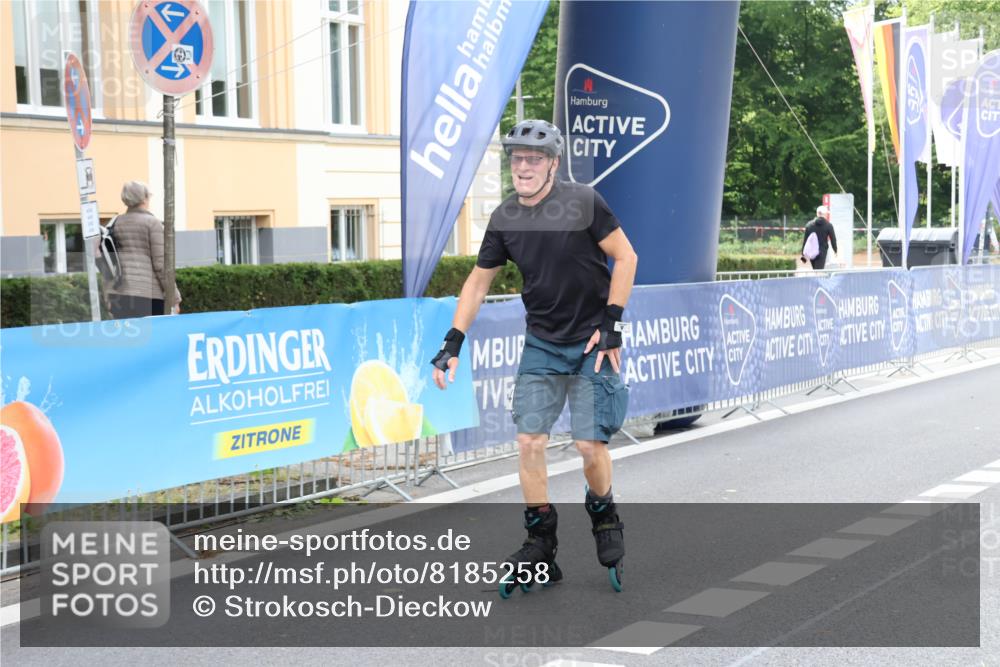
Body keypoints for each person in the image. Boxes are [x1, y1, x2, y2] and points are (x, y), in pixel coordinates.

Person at [430, 119, 638, 595]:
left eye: (534, 159)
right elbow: (478, 281)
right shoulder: (505, 217)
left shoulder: (584, 202)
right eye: (517, 159)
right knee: (529, 441)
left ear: (553, 164)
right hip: (542, 342)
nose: (523, 167)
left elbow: (626, 258)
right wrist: (453, 342)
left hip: (591, 341)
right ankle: (540, 542)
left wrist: (613, 324)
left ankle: (604, 512)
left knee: (589, 447)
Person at [103, 181, 181, 318]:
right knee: (154, 338)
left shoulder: (115, 223)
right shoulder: (152, 223)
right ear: (144, 198)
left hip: (119, 296)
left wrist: (107, 295)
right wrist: (174, 298)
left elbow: (108, 264)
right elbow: (161, 265)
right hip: (148, 295)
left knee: (127, 338)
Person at [802, 205, 838, 269]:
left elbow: (805, 240)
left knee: (815, 270)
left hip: (812, 252)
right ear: (825, 214)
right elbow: (833, 239)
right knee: (819, 271)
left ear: (817, 213)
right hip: (822, 251)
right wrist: (835, 250)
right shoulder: (828, 225)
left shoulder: (809, 225)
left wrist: (803, 254)